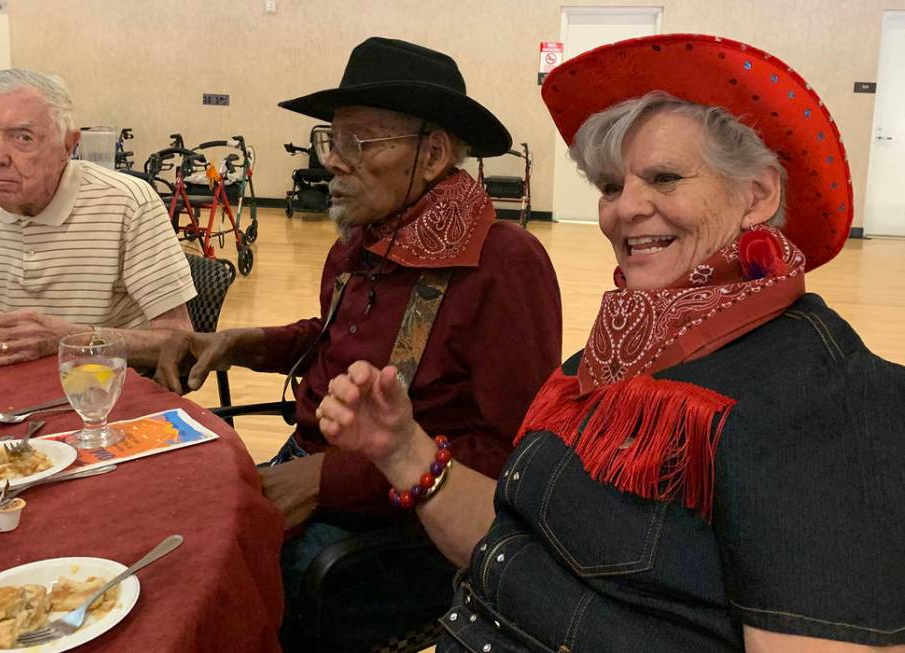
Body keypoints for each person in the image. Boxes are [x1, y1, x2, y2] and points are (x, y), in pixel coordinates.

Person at [318, 34, 905, 652]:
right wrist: (403, 448)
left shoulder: (827, 400)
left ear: (757, 195)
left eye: (665, 178)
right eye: (610, 186)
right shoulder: (609, 357)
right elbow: (517, 544)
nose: (626, 210)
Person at [155, 37, 562, 651]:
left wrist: (329, 481)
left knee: (220, 600)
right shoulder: (361, 239)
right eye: (332, 140)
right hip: (309, 470)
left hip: (401, 530)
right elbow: (331, 341)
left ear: (432, 155)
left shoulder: (502, 263)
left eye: (359, 142)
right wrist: (242, 341)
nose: (334, 163)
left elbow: (514, 455)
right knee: (177, 550)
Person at [0, 69, 195, 366]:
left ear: (68, 146)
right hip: (12, 385)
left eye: (23, 137)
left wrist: (72, 342)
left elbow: (180, 341)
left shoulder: (128, 203)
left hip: (111, 389)